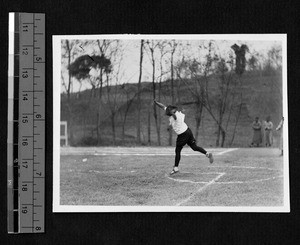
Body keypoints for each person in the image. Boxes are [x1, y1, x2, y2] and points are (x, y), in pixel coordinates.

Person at [154, 100, 214, 175]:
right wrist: (156, 103)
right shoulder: (175, 112)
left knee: (178, 151)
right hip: (188, 131)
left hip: (182, 135)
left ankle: (175, 168)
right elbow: (163, 106)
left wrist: (171, 115)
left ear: (171, 112)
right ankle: (207, 154)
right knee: (194, 147)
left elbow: (174, 117)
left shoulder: (176, 116)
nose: (166, 112)